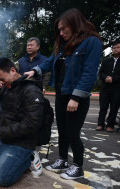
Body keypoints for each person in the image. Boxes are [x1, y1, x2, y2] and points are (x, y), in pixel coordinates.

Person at [24, 8, 102, 179]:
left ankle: (78, 166)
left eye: (63, 28)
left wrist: (76, 97)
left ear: (75, 24)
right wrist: (34, 71)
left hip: (76, 96)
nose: (61, 32)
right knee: (62, 131)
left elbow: (89, 72)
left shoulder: (92, 42)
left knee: (73, 132)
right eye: (59, 30)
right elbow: (50, 62)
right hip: (61, 93)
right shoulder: (62, 45)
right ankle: (62, 160)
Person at [0, 57, 44, 186]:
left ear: (13, 70)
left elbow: (32, 124)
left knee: (2, 179)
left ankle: (29, 158)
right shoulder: (7, 87)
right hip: (3, 137)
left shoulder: (31, 90)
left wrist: (2, 132)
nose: (1, 82)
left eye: (2, 79)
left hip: (21, 142)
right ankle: (7, 158)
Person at [96, 40, 120, 132]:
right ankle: (100, 124)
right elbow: (100, 73)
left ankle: (110, 125)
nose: (116, 49)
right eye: (114, 48)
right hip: (105, 88)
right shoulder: (106, 61)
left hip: (117, 88)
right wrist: (105, 77)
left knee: (114, 108)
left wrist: (113, 79)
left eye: (118, 47)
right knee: (103, 107)